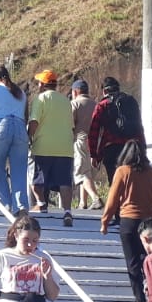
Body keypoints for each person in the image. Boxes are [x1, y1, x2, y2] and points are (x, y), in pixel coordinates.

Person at [100, 141, 152, 302]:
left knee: (132, 261)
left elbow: (112, 199)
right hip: (149, 221)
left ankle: (140, 300)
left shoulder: (122, 171)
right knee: (150, 258)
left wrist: (105, 221)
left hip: (129, 221)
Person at [27, 69, 75, 226]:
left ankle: (41, 204)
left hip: (44, 146)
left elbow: (34, 121)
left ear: (42, 84)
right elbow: (71, 126)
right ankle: (67, 211)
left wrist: (29, 137)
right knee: (64, 182)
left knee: (37, 181)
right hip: (65, 147)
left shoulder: (40, 99)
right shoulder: (66, 101)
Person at [0, 66, 30, 212]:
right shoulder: (21, 93)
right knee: (19, 169)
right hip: (20, 127)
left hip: (1, 126)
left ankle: (4, 204)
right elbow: (26, 116)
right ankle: (20, 206)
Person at [87, 76, 144, 186]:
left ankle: (117, 202)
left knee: (115, 182)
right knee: (131, 180)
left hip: (111, 148)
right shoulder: (131, 101)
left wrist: (94, 155)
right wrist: (142, 147)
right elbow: (139, 126)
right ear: (118, 88)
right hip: (132, 148)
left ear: (104, 91)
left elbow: (93, 132)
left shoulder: (102, 106)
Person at [69, 80, 102, 210]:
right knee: (87, 172)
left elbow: (70, 125)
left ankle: (96, 198)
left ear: (75, 91)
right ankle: (83, 203)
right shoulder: (96, 104)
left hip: (80, 140)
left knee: (81, 172)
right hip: (96, 141)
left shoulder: (75, 104)